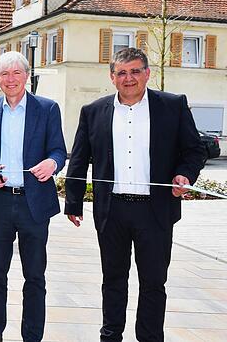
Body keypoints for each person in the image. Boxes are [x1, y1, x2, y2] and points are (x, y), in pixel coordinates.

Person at [65, 47, 205, 342]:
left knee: (154, 282)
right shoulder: (93, 111)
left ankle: (150, 338)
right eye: (122, 72)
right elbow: (78, 159)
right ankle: (111, 335)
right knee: (113, 279)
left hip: (155, 211)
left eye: (135, 71)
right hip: (111, 210)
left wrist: (185, 175)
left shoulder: (172, 105)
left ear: (147, 73)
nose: (129, 78)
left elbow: (194, 150)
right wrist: (74, 202)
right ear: (112, 77)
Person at [0, 51, 67, 342]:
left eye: (17, 73)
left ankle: (32, 336)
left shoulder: (47, 108)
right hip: (0, 202)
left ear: (27, 76)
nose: (11, 79)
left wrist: (52, 164)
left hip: (34, 204)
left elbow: (58, 150)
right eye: (4, 74)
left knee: (35, 277)